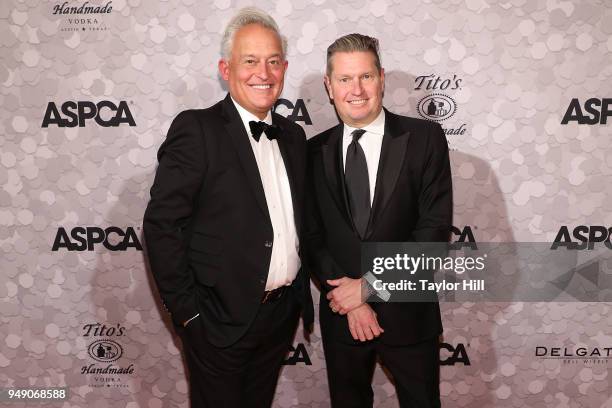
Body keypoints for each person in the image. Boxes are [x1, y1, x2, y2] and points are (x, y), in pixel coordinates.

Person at [143, 7, 313, 408]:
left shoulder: (293, 136)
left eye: (273, 62)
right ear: (225, 68)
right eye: (250, 61)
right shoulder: (197, 129)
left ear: (285, 68)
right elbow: (161, 226)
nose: (263, 73)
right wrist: (190, 316)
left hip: (279, 318)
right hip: (217, 322)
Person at [306, 33, 452, 407]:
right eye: (344, 79)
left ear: (381, 78)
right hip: (342, 314)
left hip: (409, 314)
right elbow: (311, 236)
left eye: (366, 77)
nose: (356, 89)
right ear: (329, 85)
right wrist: (352, 300)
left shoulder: (424, 138)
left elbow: (432, 235)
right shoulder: (311, 151)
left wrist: (369, 287)